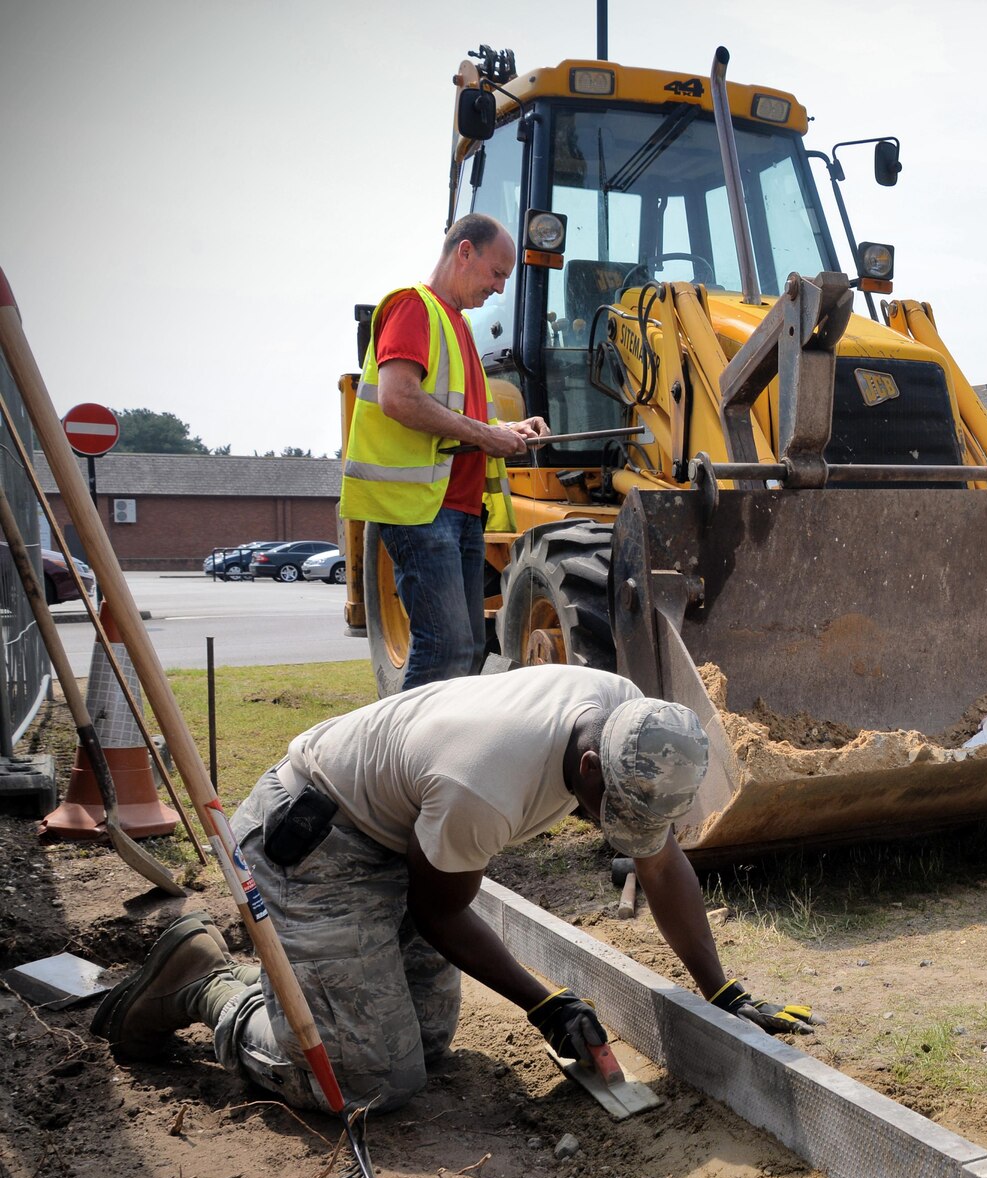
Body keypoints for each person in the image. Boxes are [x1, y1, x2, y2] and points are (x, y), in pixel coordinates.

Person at [91, 665, 814, 1114]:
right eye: (611, 813)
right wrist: (544, 1000)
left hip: (403, 837)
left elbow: (659, 863)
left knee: (429, 1042)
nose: (616, 831)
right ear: (590, 767)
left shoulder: (629, 721)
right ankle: (208, 984)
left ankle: (301, 982)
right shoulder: (486, 785)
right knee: (372, 1079)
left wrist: (722, 994)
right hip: (313, 845)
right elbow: (437, 910)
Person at [341, 213, 549, 689]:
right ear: (465, 252)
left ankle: (428, 754)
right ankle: (400, 759)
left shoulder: (456, 326)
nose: (499, 289)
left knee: (467, 649)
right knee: (446, 647)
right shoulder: (415, 308)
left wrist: (505, 429)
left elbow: (460, 418)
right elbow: (398, 397)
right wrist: (484, 434)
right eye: (497, 273)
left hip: (455, 509)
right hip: (420, 510)